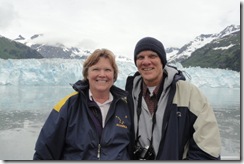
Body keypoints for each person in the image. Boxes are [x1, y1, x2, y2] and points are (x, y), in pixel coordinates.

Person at [125, 37, 221, 160]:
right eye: (140, 57)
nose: (146, 62)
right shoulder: (128, 94)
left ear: (162, 61)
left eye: (152, 56)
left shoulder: (189, 93)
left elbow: (208, 148)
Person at [33, 48, 134, 160]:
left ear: (114, 75)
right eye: (96, 69)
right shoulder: (68, 106)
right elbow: (45, 152)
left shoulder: (126, 106)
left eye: (107, 70)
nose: (102, 74)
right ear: (87, 74)